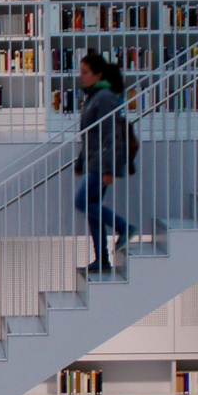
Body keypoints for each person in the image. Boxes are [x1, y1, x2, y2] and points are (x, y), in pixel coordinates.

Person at [71, 51, 134, 280]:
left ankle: (125, 227)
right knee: (91, 209)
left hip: (100, 163)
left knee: (82, 202)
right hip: (93, 161)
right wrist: (80, 162)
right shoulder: (94, 96)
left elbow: (110, 134)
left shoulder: (105, 97)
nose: (81, 76)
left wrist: (108, 169)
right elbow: (89, 136)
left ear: (98, 74)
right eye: (81, 71)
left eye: (85, 72)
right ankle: (102, 261)